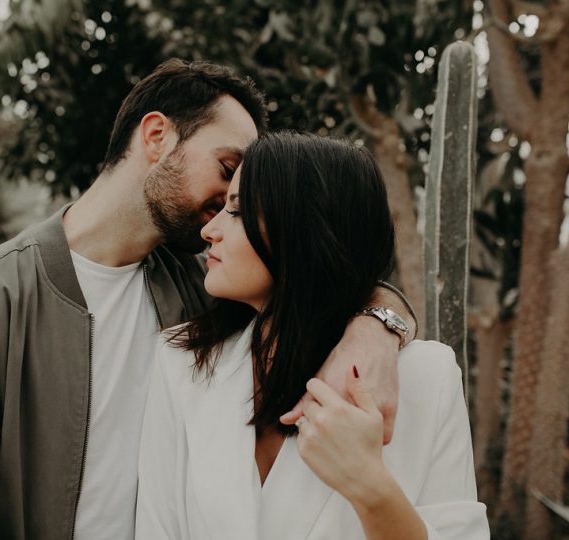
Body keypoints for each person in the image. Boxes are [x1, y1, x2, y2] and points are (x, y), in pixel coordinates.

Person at [0, 60, 417, 539]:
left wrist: (376, 322)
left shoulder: (204, 291)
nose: (237, 202)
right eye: (229, 172)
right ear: (157, 136)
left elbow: (319, 274)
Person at [135, 132, 489, 540]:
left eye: (236, 210)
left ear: (305, 230)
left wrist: (369, 487)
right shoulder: (182, 362)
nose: (210, 230)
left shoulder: (428, 377)